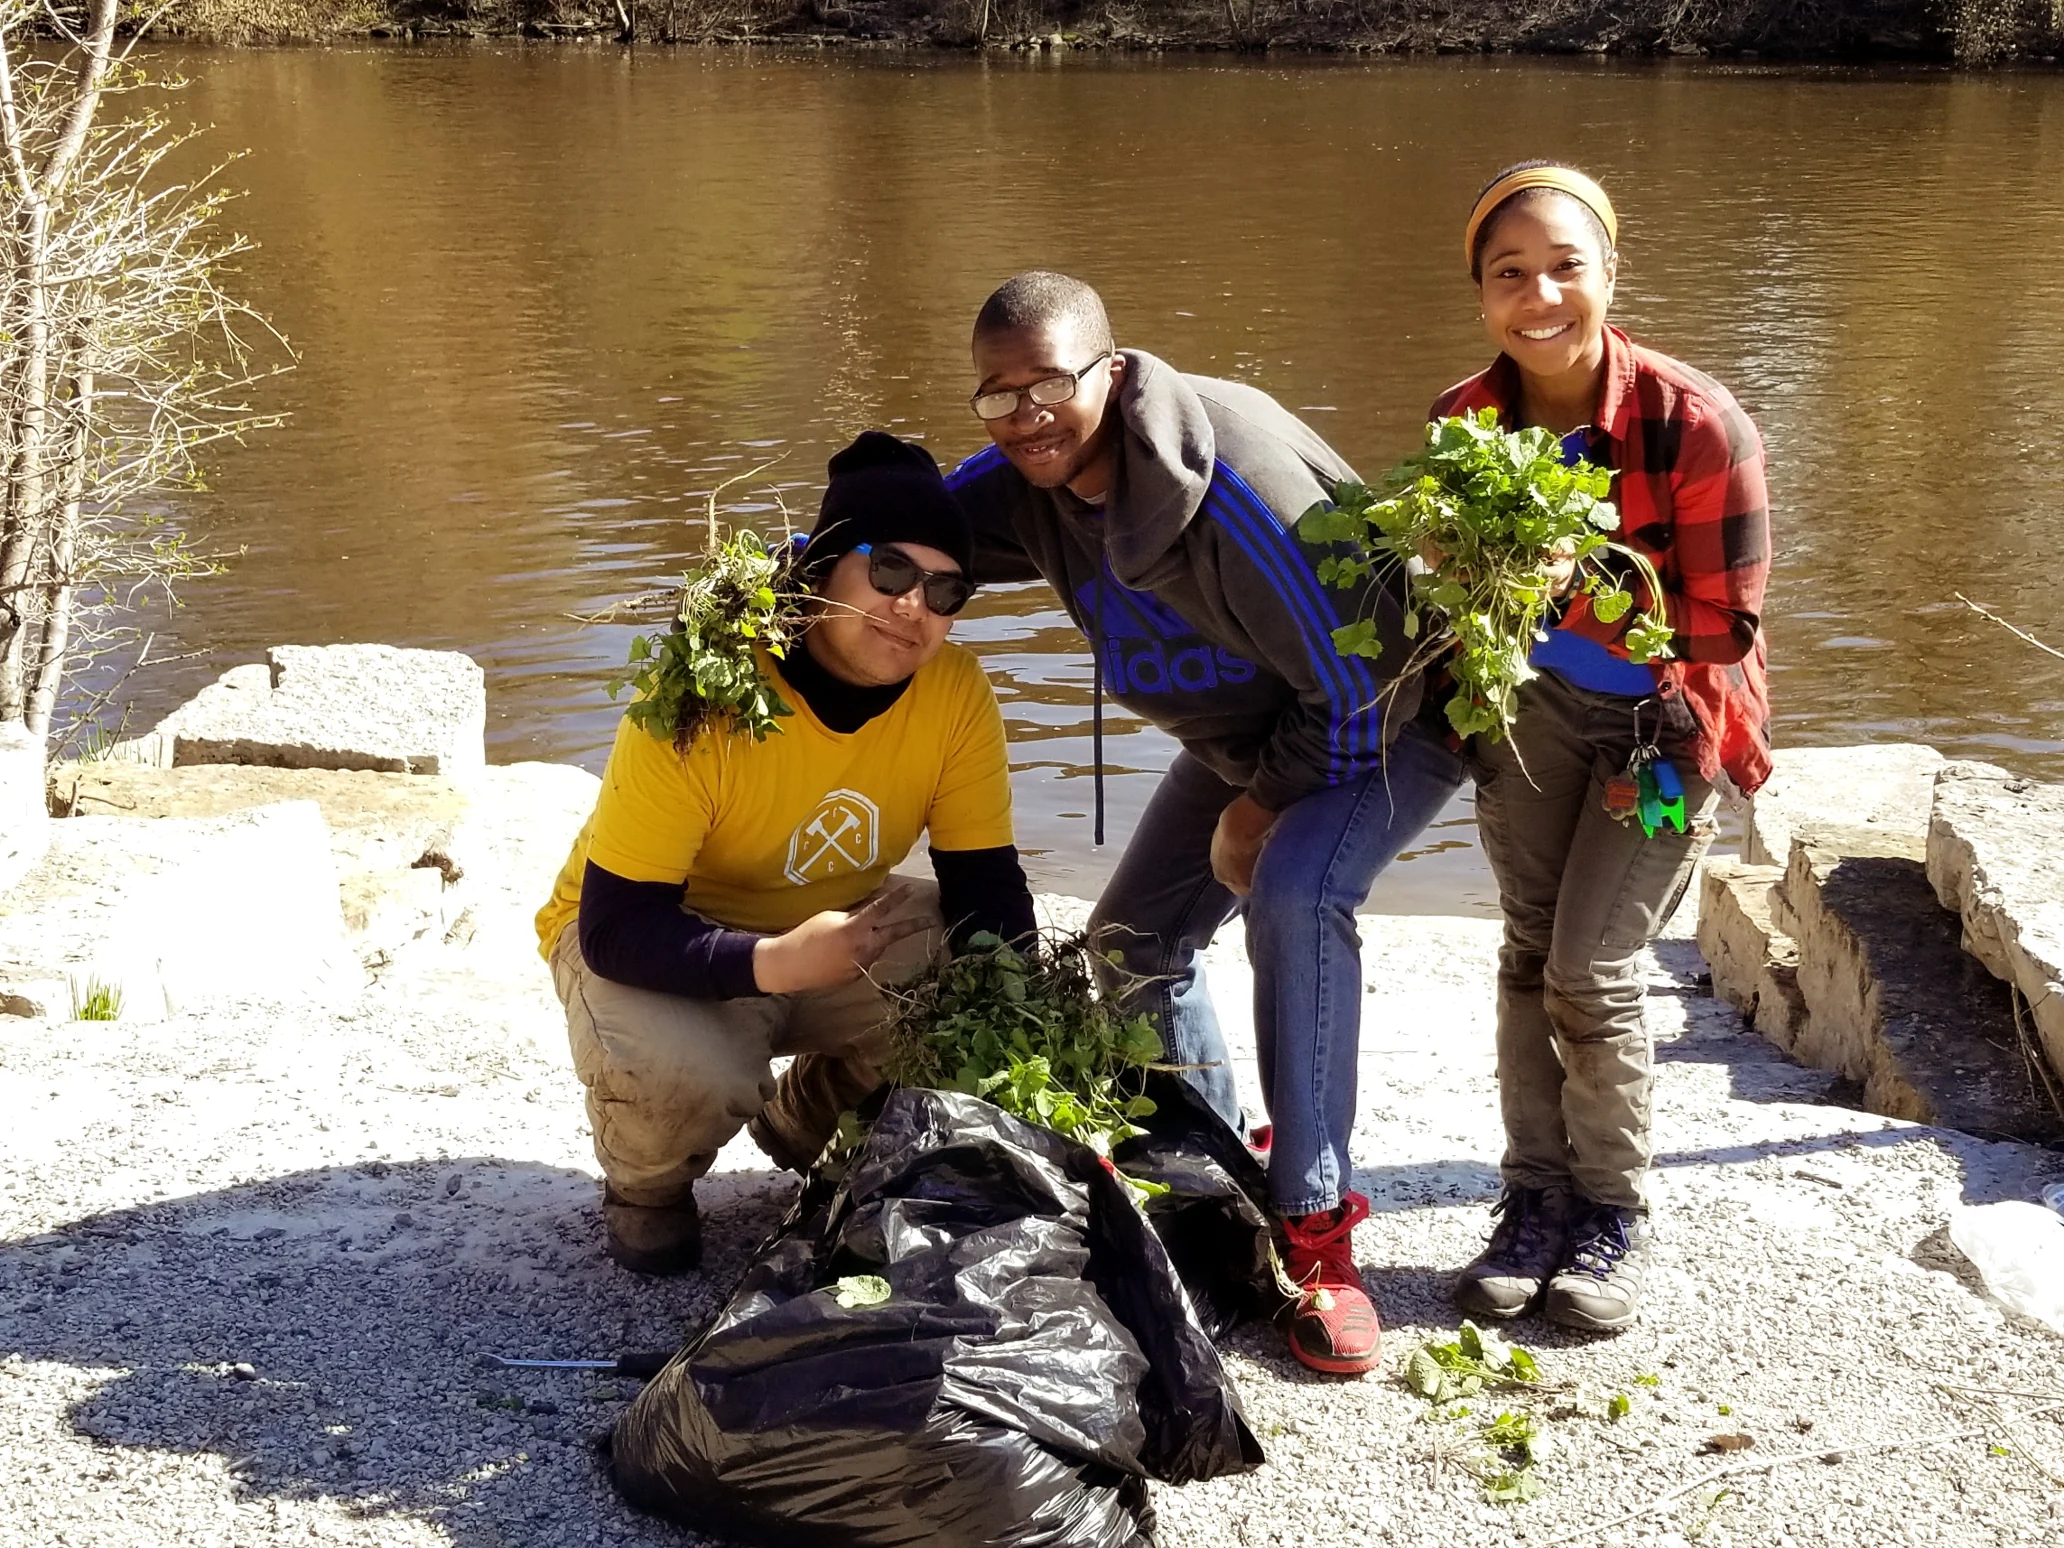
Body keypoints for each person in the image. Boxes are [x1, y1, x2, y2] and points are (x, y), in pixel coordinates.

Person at [948, 271, 1465, 1376]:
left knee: (1294, 892)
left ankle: (1318, 1236)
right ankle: (1219, 1168)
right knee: (1133, 947)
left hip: (1387, 719)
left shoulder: (1241, 491)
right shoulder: (1032, 475)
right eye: (996, 394)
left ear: (1113, 370)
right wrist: (801, 579)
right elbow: (919, 525)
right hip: (1260, 736)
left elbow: (1364, 685)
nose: (1024, 414)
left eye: (1048, 383)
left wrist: (1259, 809)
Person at [536, 431, 1037, 1274]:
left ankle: (808, 1124)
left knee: (974, 978)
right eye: (890, 572)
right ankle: (648, 1185)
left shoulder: (957, 692)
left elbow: (986, 883)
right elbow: (617, 925)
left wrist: (1037, 1032)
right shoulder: (704, 691)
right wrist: (777, 962)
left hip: (831, 938)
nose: (915, 605)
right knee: (681, 1076)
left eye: (946, 589)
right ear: (823, 570)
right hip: (652, 941)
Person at [1437, 163, 1772, 1331]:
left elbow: (1725, 627)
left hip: (1670, 740)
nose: (1539, 294)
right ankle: (1533, 1199)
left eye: (1565, 266)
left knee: (1595, 968)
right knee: (1529, 952)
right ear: (1481, 291)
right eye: (1509, 272)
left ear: (1610, 273)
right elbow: (1455, 599)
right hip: (1528, 725)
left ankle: (1612, 1214)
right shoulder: (1465, 424)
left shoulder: (1696, 423)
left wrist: (1572, 588)